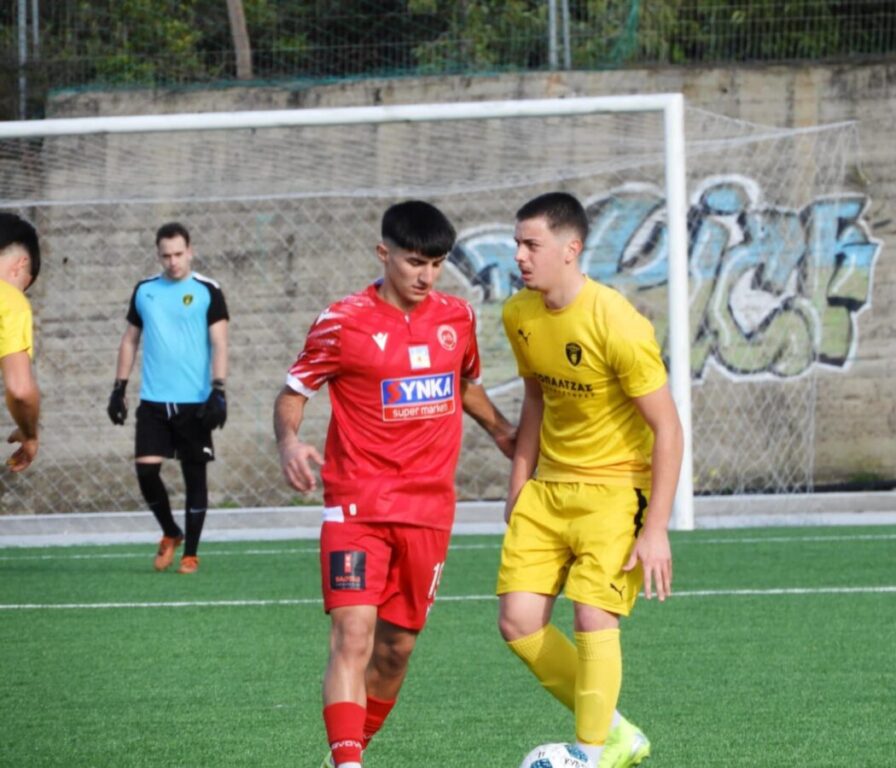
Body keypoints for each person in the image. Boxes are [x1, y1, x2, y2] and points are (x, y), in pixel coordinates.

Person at [272, 200, 516, 768]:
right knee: (353, 635)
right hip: (356, 506)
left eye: (437, 264)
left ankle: (351, 750)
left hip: (429, 511)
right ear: (384, 254)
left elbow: (464, 382)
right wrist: (289, 441)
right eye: (414, 262)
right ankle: (348, 764)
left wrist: (503, 432)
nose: (426, 276)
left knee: (396, 650)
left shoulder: (458, 318)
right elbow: (293, 393)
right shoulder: (342, 321)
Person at [497, 192, 683, 768]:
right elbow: (535, 399)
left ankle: (589, 753)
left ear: (570, 249)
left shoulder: (617, 322)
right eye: (517, 244)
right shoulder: (519, 314)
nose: (520, 256)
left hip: (616, 491)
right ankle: (615, 732)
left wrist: (656, 529)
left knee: (592, 615)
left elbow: (668, 428)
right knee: (518, 623)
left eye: (532, 244)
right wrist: (519, 479)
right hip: (548, 489)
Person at [107, 222, 229, 574]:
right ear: (158, 255)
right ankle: (170, 532)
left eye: (178, 254)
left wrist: (219, 389)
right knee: (146, 470)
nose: (173, 262)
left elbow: (220, 342)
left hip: (195, 402)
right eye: (166, 256)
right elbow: (130, 339)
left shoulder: (208, 290)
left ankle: (191, 553)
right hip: (154, 402)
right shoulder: (145, 290)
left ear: (190, 251)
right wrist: (119, 388)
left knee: (194, 477)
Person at [0, 212, 42, 473]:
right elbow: (20, 390)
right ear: (20, 264)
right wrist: (30, 434)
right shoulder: (10, 299)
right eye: (24, 285)